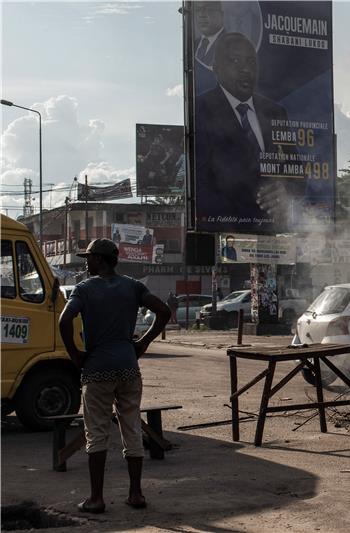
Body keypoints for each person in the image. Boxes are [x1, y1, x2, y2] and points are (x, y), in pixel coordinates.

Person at [58, 239, 171, 514]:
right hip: (129, 368)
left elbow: (64, 321)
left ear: (101, 260)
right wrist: (143, 343)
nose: (86, 263)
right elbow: (164, 312)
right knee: (131, 429)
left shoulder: (84, 290)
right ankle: (136, 494)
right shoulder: (133, 286)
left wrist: (76, 355)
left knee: (96, 433)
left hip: (97, 370)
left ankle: (96, 499)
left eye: (89, 258)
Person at [194, 32, 303, 232]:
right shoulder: (200, 110)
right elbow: (200, 185)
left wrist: (284, 189)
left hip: (274, 232)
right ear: (216, 69)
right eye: (234, 61)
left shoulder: (275, 112)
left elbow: (297, 173)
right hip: (223, 234)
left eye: (251, 62)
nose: (245, 69)